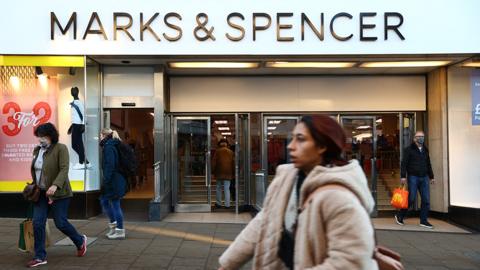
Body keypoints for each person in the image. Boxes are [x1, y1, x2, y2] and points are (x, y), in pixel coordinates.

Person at [218, 115, 377, 269]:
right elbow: (265, 221)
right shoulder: (287, 178)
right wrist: (228, 263)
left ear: (322, 146)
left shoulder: (340, 197)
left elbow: (350, 263)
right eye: (292, 138)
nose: (290, 145)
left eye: (300, 139)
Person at [27, 122, 87, 268]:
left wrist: (55, 185)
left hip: (60, 193)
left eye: (44, 137)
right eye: (39, 136)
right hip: (40, 193)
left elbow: (64, 169)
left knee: (60, 223)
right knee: (37, 223)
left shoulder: (61, 148)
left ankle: (80, 241)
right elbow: (38, 170)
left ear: (51, 136)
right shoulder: (37, 150)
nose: (41, 140)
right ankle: (40, 256)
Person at [395, 131, 435, 229]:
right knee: (411, 198)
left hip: (424, 177)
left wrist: (432, 176)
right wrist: (403, 176)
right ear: (414, 138)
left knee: (426, 200)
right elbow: (404, 163)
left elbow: (428, 164)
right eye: (419, 136)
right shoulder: (409, 149)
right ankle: (400, 215)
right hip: (413, 177)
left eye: (422, 136)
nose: (421, 138)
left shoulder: (425, 150)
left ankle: (423, 221)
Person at [99, 128, 127, 239]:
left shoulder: (109, 146)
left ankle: (120, 231)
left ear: (104, 135)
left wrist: (107, 178)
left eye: (100, 135)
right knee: (104, 201)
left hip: (113, 180)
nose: (100, 138)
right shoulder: (111, 144)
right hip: (115, 178)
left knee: (115, 204)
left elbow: (111, 164)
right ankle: (114, 227)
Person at [68, 86, 91, 170]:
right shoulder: (73, 102)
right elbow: (75, 116)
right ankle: (86, 162)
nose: (73, 92)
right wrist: (71, 126)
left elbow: (84, 114)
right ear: (71, 93)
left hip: (78, 125)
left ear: (77, 92)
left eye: (74, 90)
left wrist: (83, 124)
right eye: (72, 91)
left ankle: (81, 162)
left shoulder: (79, 103)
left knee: (79, 144)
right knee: (74, 145)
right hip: (75, 125)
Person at [212, 138, 234, 209]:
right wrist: (233, 173)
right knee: (227, 188)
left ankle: (219, 203)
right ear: (227, 144)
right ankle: (227, 205)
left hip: (219, 172)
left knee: (218, 188)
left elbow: (214, 163)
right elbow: (233, 163)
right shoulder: (231, 152)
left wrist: (212, 171)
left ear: (219, 144)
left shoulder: (217, 151)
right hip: (228, 173)